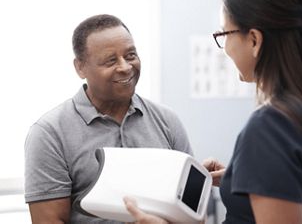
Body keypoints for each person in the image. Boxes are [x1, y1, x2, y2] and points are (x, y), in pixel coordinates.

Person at [123, 0, 302, 223]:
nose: (225, 49)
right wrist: (241, 178)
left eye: (224, 35)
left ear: (254, 40)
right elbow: (299, 186)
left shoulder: (271, 127)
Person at [24, 14, 193, 224]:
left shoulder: (167, 121)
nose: (125, 67)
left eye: (130, 55)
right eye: (110, 60)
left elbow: (193, 215)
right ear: (80, 68)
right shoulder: (49, 134)